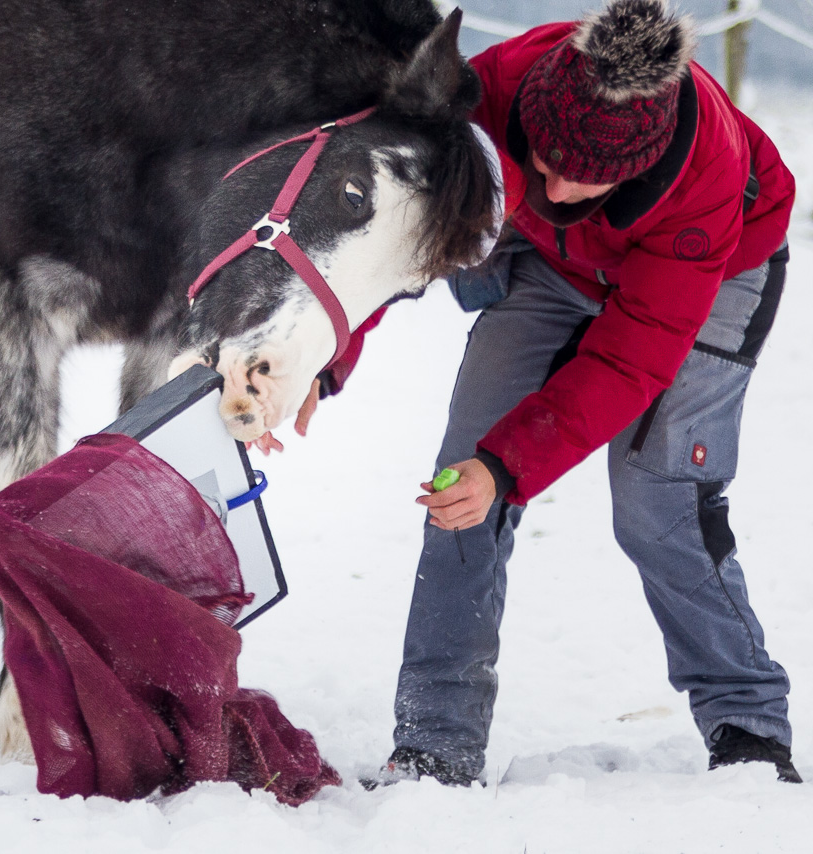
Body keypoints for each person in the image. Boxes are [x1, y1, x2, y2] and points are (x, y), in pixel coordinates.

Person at [325, 0, 800, 786]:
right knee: (458, 485)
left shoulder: (703, 174)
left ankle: (748, 725)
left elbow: (632, 355)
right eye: (542, 161)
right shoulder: (499, 86)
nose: (554, 184)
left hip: (716, 271)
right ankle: (436, 744)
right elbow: (398, 229)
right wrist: (324, 360)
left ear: (638, 165)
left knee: (657, 500)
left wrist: (510, 465)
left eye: (584, 177)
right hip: (556, 262)